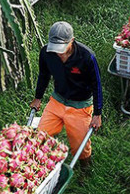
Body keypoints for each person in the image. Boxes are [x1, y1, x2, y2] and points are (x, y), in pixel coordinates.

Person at [31, 21, 102, 168]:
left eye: (61, 48)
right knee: (39, 136)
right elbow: (44, 75)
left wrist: (97, 114)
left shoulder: (87, 57)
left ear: (72, 41)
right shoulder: (46, 53)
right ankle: (37, 165)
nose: (58, 52)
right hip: (57, 101)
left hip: (79, 106)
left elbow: (97, 86)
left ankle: (85, 170)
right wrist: (38, 98)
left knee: (79, 145)